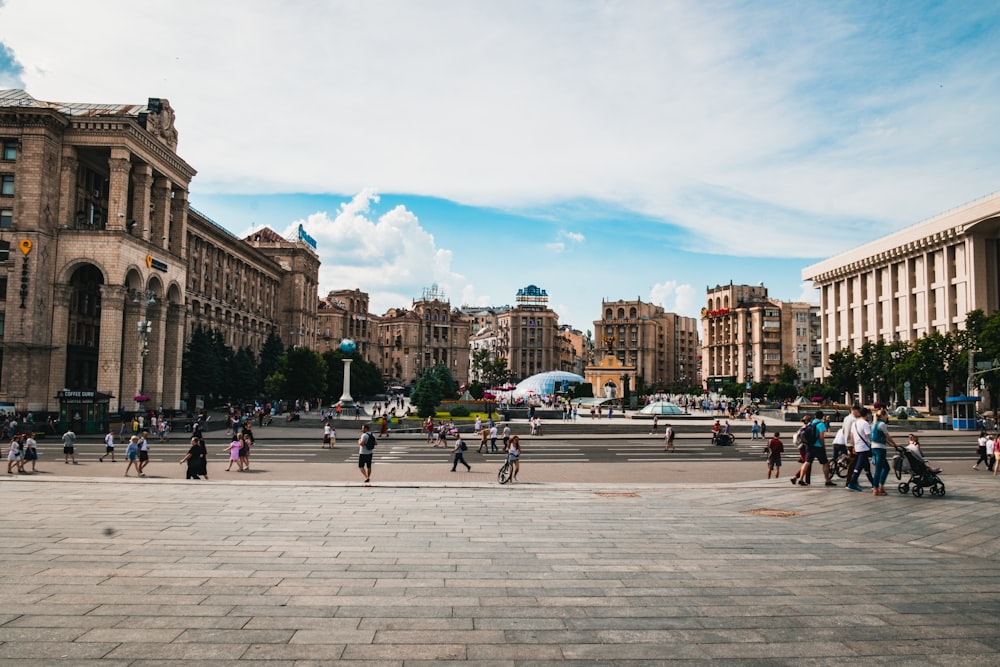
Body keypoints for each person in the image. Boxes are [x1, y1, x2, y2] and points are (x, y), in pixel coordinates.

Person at [794, 410, 835, 487]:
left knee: (807, 462)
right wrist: (823, 445)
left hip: (809, 446)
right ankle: (827, 480)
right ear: (822, 417)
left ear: (815, 416)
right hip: (818, 446)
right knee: (825, 463)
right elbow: (821, 437)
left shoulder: (811, 423)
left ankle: (801, 479)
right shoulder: (821, 424)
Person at [870, 408, 897, 496]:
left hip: (874, 447)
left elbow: (884, 438)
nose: (887, 416)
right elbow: (887, 436)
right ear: (882, 415)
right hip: (880, 448)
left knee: (886, 468)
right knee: (879, 469)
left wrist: (891, 444)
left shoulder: (874, 424)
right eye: (886, 415)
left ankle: (880, 487)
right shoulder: (882, 424)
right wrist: (895, 444)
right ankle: (876, 489)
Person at [846, 407, 872, 492]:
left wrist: (853, 446)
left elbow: (852, 436)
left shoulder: (855, 423)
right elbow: (868, 436)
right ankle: (852, 483)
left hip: (857, 446)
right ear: (867, 414)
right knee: (859, 466)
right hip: (864, 447)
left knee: (866, 466)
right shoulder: (865, 424)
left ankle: (873, 483)